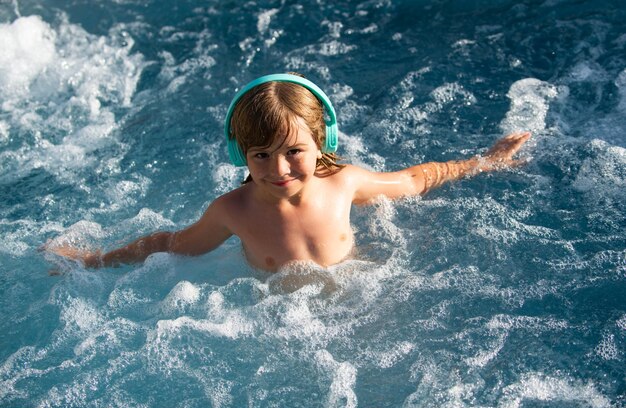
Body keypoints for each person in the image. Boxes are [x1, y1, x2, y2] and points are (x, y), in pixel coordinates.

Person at [48, 73, 531, 273]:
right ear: (241, 155)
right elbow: (170, 244)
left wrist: (484, 161)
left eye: (293, 151)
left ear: (322, 142)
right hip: (280, 324)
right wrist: (93, 259)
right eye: (259, 155)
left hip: (357, 305)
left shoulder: (343, 183)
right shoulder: (231, 211)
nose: (278, 169)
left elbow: (412, 180)